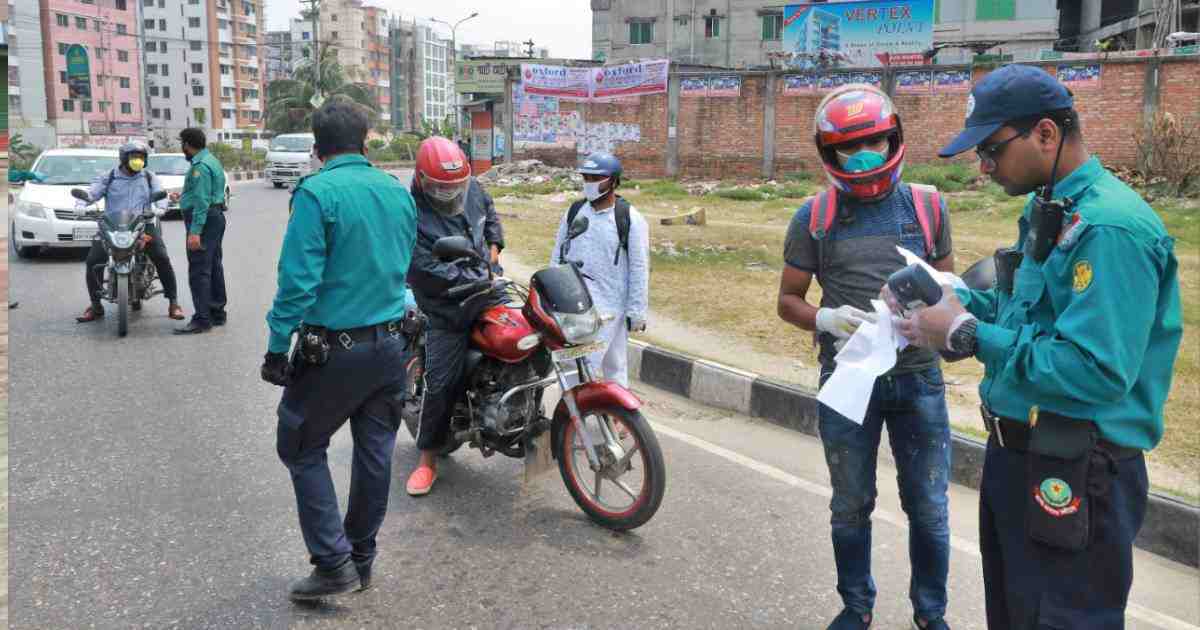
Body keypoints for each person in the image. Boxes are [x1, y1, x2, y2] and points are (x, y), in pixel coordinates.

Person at [893, 64, 1182, 629]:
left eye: (993, 149)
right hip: (1018, 455)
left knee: (1063, 620)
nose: (984, 166)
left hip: (1080, 466)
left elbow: (1094, 370)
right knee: (1015, 614)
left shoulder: (1111, 229)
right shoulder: (1049, 210)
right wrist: (944, 303)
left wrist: (967, 336)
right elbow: (1018, 311)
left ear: (1045, 134)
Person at [775, 84, 955, 630]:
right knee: (850, 504)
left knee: (929, 508)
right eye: (850, 148)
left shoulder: (927, 206)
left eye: (875, 141)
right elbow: (787, 300)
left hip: (918, 381)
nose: (865, 156)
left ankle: (931, 614)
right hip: (848, 380)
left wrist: (937, 322)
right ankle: (857, 607)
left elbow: (951, 293)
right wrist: (824, 320)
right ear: (830, 155)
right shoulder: (815, 215)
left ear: (894, 137)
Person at [261, 96, 418, 601]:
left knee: (301, 445)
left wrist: (274, 345)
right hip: (391, 348)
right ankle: (361, 558)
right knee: (375, 452)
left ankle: (333, 564)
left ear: (316, 147)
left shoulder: (316, 194)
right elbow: (401, 267)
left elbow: (296, 283)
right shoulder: (396, 191)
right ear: (366, 140)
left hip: (334, 352)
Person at [404, 136, 505, 497]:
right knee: (442, 380)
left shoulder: (473, 188)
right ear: (423, 181)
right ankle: (427, 460)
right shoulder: (410, 210)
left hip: (487, 282)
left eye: (456, 187)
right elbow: (422, 266)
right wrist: (474, 278)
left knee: (528, 337)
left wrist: (494, 247)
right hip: (446, 302)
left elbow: (489, 215)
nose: (450, 195)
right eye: (441, 189)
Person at [549, 152, 650, 388]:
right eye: (586, 178)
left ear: (613, 181)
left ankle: (618, 417)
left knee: (612, 365)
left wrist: (637, 311)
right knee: (576, 365)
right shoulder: (574, 213)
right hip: (575, 302)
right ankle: (576, 416)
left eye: (597, 179)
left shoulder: (629, 219)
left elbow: (639, 267)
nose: (589, 184)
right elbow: (558, 254)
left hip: (610, 306)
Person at [75, 140, 185, 323]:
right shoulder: (109, 176)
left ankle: (173, 303)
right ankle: (95, 305)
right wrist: (81, 204)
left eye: (141, 158)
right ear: (124, 158)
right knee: (93, 261)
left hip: (142, 223)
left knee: (161, 257)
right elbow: (92, 193)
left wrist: (160, 208)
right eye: (135, 157)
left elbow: (161, 195)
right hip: (112, 225)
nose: (138, 161)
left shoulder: (149, 177)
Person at [169, 127, 228, 334]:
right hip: (215, 217)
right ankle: (217, 312)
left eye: (182, 144)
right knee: (213, 265)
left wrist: (195, 232)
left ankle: (202, 319)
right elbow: (204, 193)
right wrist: (183, 197)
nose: (182, 148)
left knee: (199, 270)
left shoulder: (199, 167)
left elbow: (202, 201)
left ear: (186, 144)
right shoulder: (211, 159)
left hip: (204, 221)